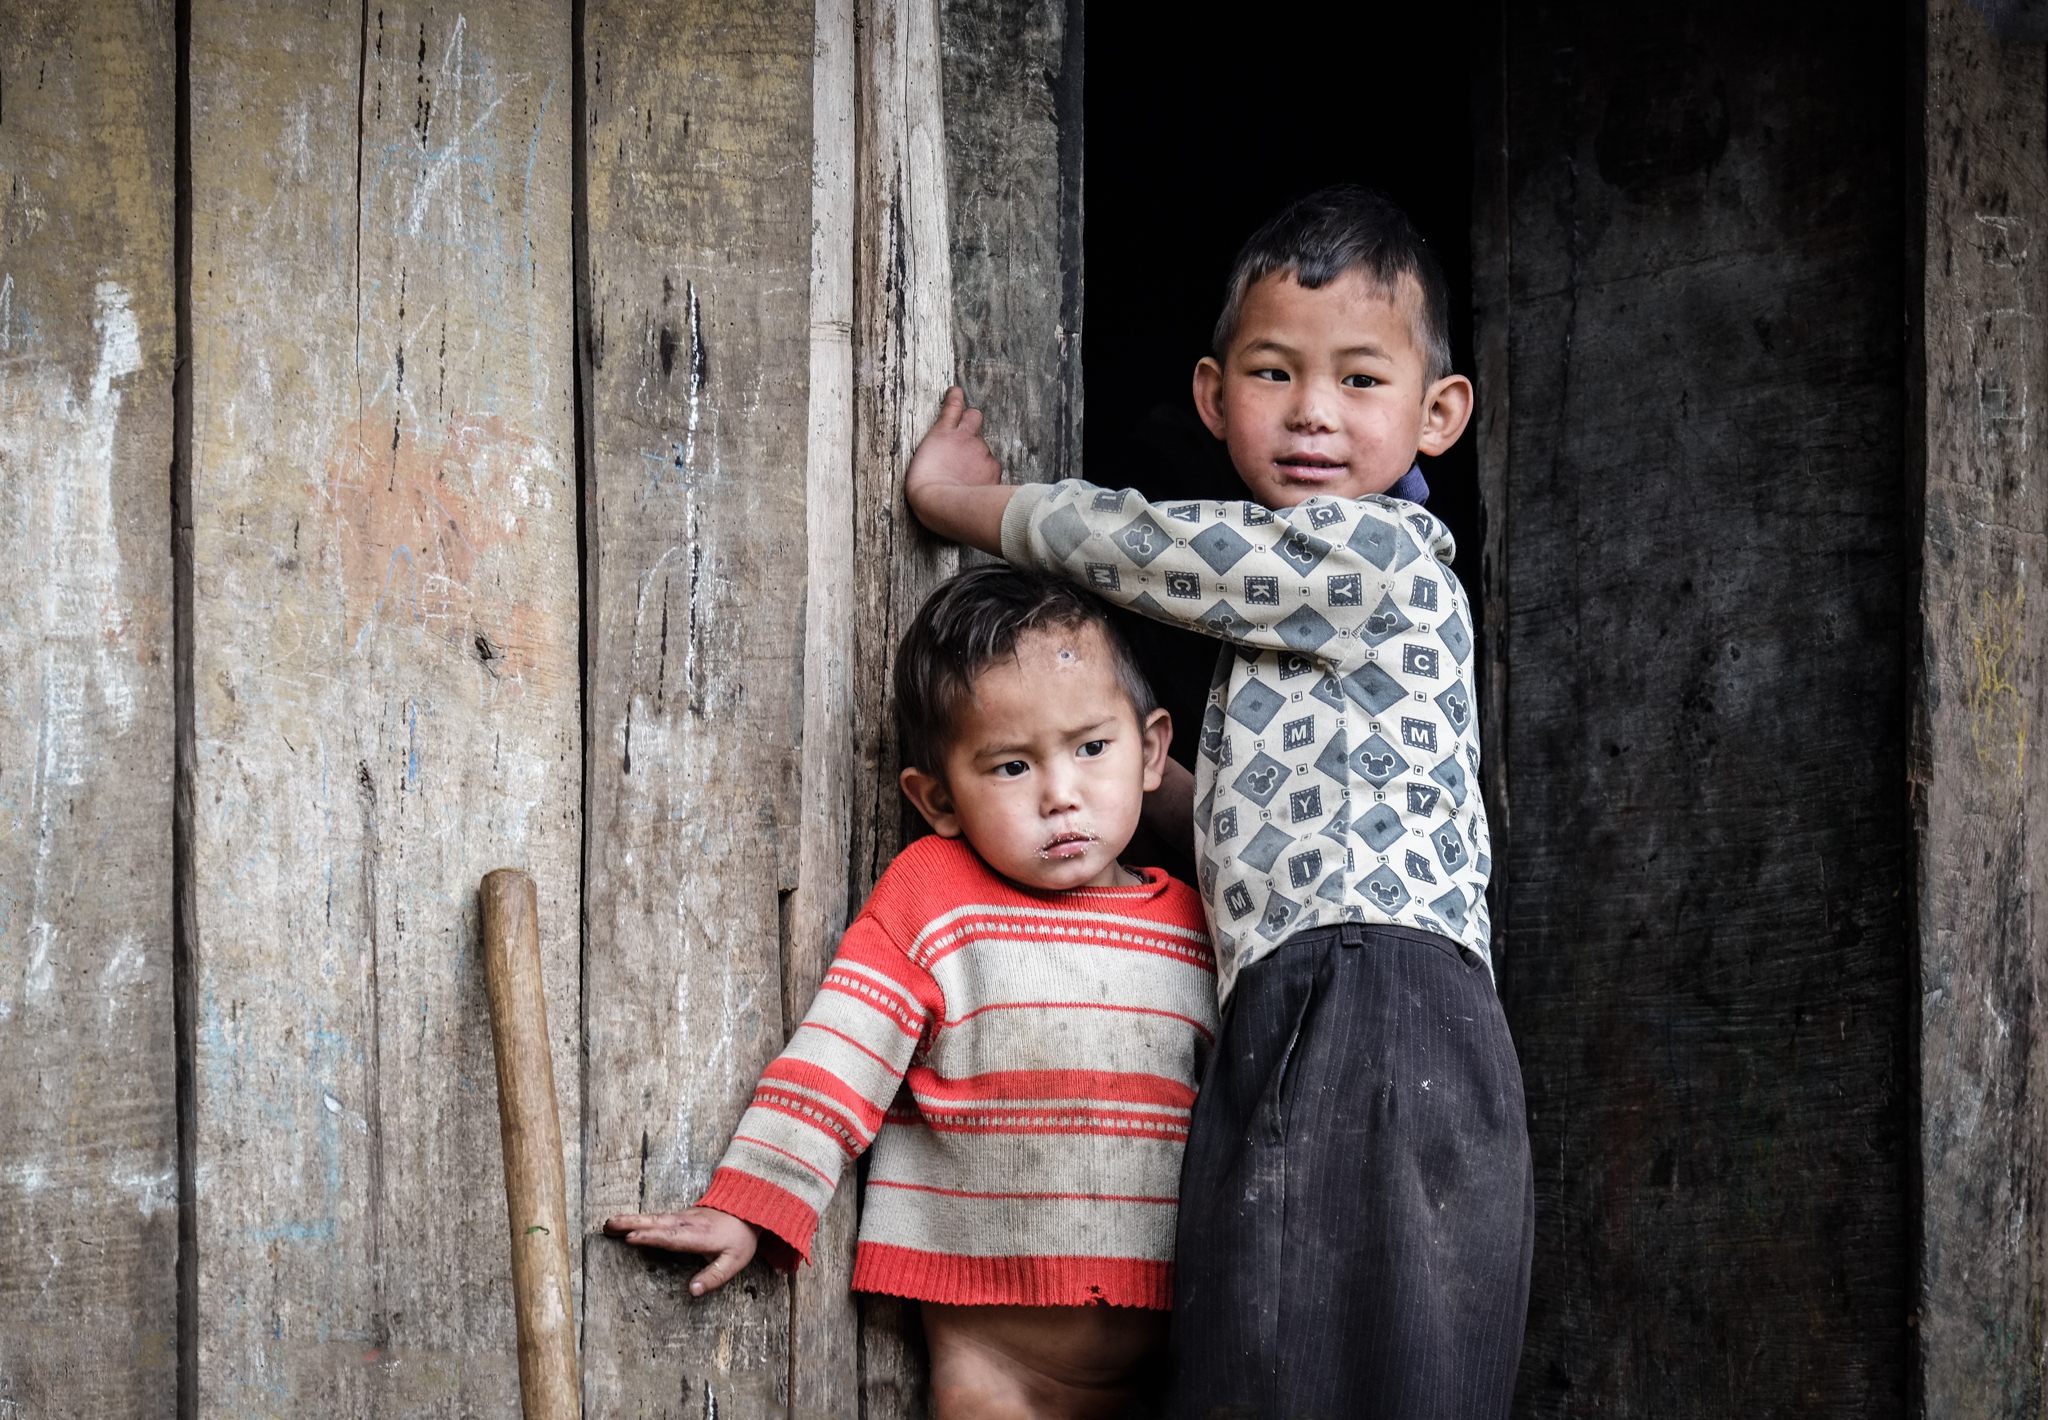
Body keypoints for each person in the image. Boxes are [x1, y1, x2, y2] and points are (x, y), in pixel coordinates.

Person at [903, 185, 1534, 1419]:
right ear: (1211, 394)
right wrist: (1107, 783)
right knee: (1301, 1345)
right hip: (1323, 992)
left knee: (1312, 1348)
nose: (1311, 411)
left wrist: (965, 507)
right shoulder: (1306, 628)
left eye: (1360, 378)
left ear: (1438, 414)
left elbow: (1150, 550)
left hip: (1364, 999)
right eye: (1271, 372)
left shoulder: (1370, 553)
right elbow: (1246, 824)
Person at [605, 565, 1219, 1420]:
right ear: (938, 799)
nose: (1061, 795)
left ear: (1150, 752)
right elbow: (842, 1052)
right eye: (1011, 766)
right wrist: (752, 1203)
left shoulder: (1198, 923)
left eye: (1091, 749)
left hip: (1175, 1355)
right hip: (994, 1364)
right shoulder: (936, 897)